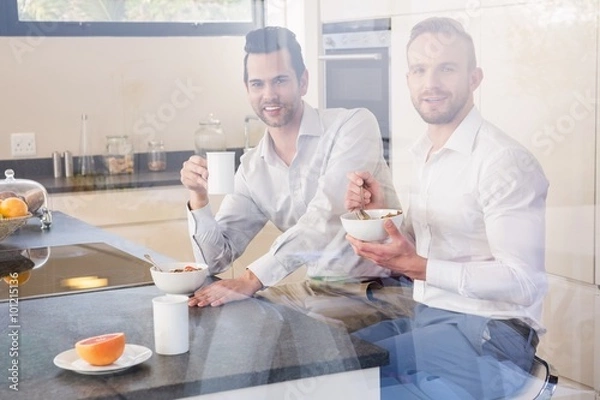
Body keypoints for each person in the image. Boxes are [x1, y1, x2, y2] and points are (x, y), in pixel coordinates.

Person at [344, 17, 549, 399]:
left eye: (446, 69)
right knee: (334, 361)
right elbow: (429, 249)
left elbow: (525, 283)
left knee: (350, 380)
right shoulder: (425, 153)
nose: (431, 83)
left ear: (474, 78)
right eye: (420, 70)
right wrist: (381, 213)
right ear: (408, 79)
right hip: (431, 316)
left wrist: (418, 267)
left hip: (491, 333)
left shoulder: (502, 162)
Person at [180, 26, 414, 332]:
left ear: (303, 81)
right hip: (316, 291)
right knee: (230, 322)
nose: (269, 95)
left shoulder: (352, 125)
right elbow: (215, 261)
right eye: (258, 84)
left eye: (280, 80)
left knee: (293, 338)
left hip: (380, 290)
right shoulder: (253, 168)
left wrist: (252, 279)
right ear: (247, 89)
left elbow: (325, 215)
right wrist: (198, 199)